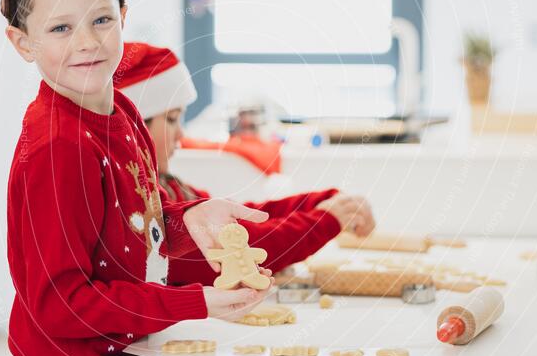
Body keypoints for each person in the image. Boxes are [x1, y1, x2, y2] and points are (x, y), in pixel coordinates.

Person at [0, 0, 273, 356]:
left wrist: (191, 217)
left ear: (124, 16)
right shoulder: (57, 147)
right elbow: (62, 302)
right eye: (60, 28)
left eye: (102, 20)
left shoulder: (123, 112)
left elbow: (136, 234)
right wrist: (195, 303)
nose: (87, 42)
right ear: (23, 43)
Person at [116, 42, 376, 286]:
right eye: (172, 119)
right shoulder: (137, 207)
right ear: (136, 128)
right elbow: (237, 249)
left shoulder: (169, 186)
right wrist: (325, 220)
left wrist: (321, 201)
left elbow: (240, 219)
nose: (181, 135)